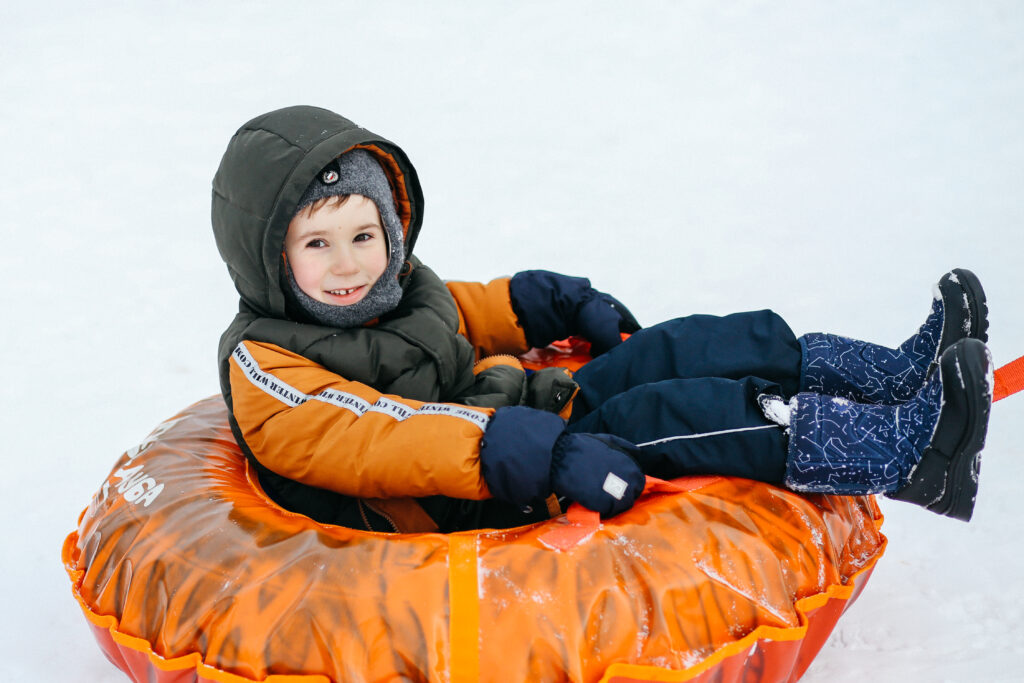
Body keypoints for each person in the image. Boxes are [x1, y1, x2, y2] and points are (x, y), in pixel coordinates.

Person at [212, 105, 992, 533]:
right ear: (269, 258)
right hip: (481, 486)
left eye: (364, 234)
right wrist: (523, 450)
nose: (349, 264)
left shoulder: (397, 286)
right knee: (674, 415)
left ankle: (894, 376)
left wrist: (546, 298)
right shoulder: (266, 365)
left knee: (691, 341)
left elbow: (463, 307)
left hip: (527, 417)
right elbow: (373, 435)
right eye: (317, 243)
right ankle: (915, 456)